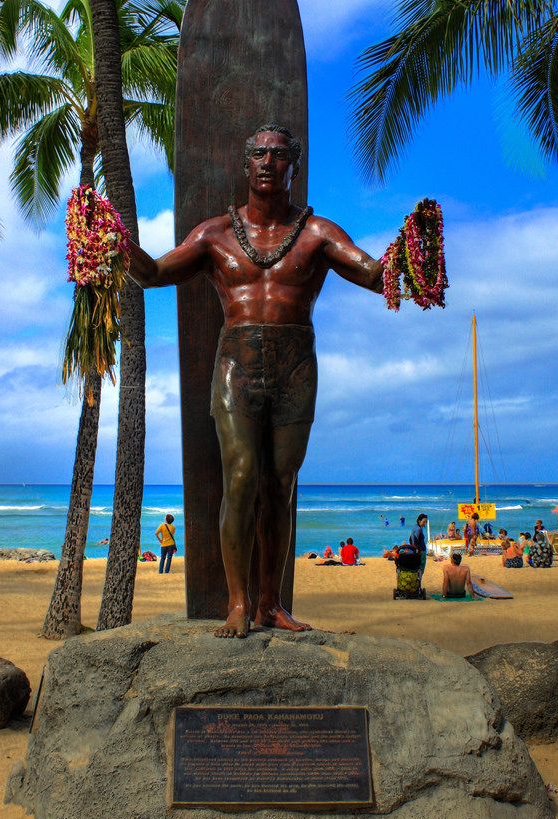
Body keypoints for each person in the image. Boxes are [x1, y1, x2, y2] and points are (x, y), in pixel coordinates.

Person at [126, 125, 386, 638]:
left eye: (278, 154)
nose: (268, 162)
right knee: (242, 476)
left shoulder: (318, 233)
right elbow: (153, 273)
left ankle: (270, 603)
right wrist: (113, 245)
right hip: (237, 364)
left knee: (280, 485)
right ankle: (238, 603)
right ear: (246, 166)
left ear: (294, 166)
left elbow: (374, 274)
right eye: (259, 154)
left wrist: (417, 255)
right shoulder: (214, 234)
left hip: (295, 365)